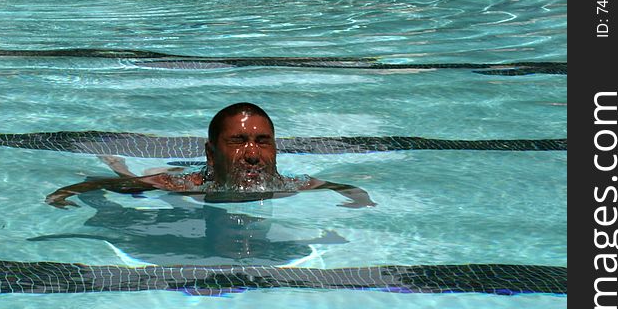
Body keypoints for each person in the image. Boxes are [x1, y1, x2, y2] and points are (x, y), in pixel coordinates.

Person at [45, 102, 376, 209]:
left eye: (263, 141)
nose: (252, 154)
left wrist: (359, 198)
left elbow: (338, 186)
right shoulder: (183, 186)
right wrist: (63, 194)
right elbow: (96, 186)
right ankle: (116, 158)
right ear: (212, 153)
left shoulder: (287, 184)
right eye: (238, 141)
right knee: (133, 184)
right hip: (188, 178)